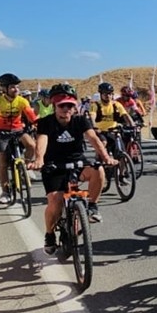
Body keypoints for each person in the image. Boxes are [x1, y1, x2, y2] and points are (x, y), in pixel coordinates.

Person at [29, 84, 116, 252]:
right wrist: (39, 160)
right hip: (54, 167)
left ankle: (92, 207)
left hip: (77, 164)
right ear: (54, 106)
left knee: (98, 170)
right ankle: (49, 234)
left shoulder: (80, 120)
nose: (66, 109)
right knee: (55, 202)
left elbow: (94, 139)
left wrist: (106, 157)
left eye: (70, 105)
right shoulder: (46, 123)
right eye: (62, 105)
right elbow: (42, 142)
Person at [0, 73, 39, 204]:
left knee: (32, 145)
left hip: (18, 131)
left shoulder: (22, 101)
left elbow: (31, 115)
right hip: (2, 133)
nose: (16, 90)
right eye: (13, 87)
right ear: (5, 89)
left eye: (17, 87)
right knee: (3, 162)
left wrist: (38, 123)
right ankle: (5, 191)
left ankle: (24, 166)